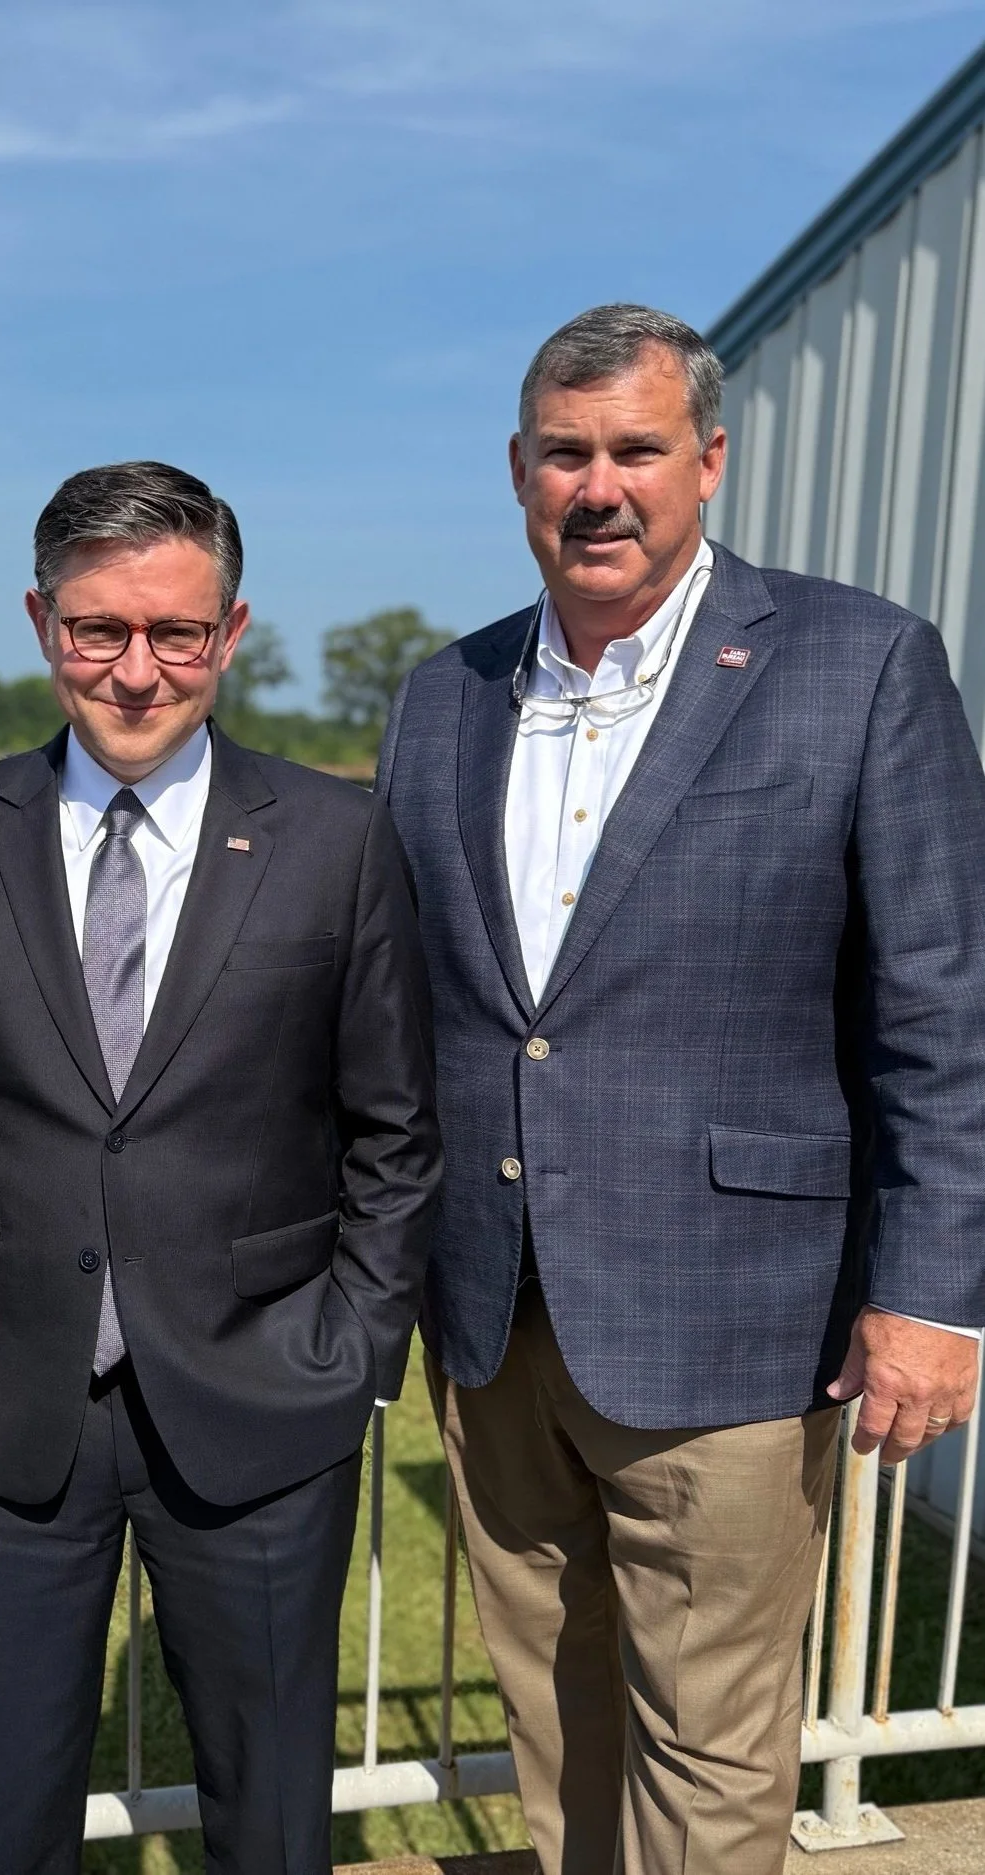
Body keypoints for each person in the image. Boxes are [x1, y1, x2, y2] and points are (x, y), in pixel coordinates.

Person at [377, 304, 985, 1875]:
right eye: (564, 453)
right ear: (517, 470)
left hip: (735, 1312)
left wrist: (932, 1294)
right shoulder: (443, 693)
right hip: (492, 1310)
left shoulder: (858, 664)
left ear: (706, 461)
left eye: (634, 450)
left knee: (709, 1740)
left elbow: (940, 1004)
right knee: (554, 1707)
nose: (599, 487)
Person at [0, 460, 442, 1873]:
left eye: (175, 631)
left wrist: (352, 1353)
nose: (135, 668)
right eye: (97, 628)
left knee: (271, 1810)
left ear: (232, 632)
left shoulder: (338, 841)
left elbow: (396, 1131)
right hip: (4, 1400)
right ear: (40, 620)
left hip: (263, 1396)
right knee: (8, 1805)